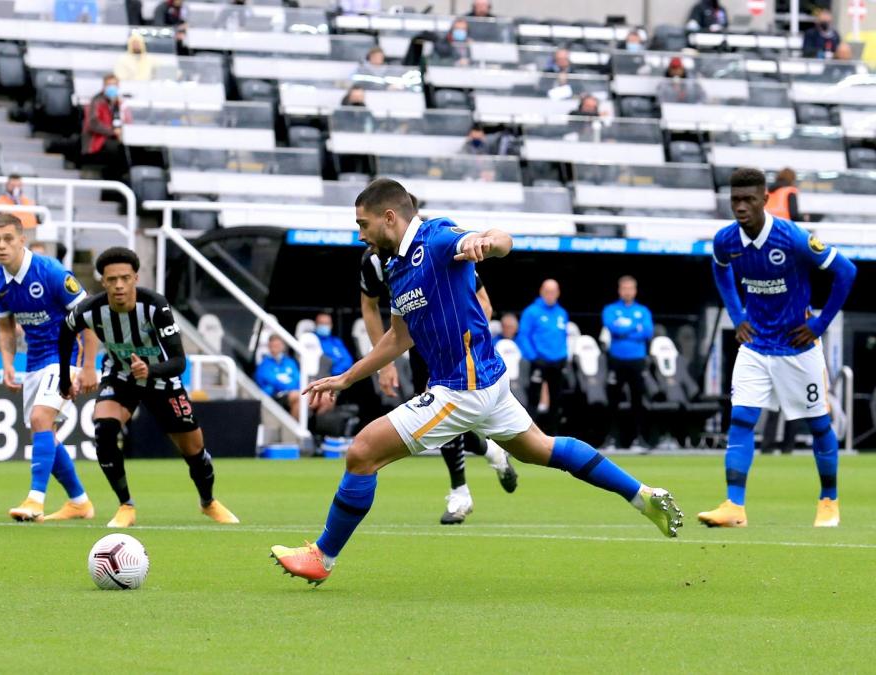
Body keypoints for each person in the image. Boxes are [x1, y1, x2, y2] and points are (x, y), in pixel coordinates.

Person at [270, 178, 682, 585]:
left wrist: (484, 242)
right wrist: (347, 377)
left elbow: (502, 240)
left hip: (462, 388)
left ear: (389, 217)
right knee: (542, 449)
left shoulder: (435, 238)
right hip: (488, 382)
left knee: (361, 452)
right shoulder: (394, 267)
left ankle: (323, 556)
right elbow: (400, 336)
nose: (360, 234)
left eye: (363, 224)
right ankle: (643, 495)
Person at [699, 168, 856, 529]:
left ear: (765, 199)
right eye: (735, 200)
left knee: (818, 425)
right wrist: (737, 313)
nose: (740, 207)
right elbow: (720, 270)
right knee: (740, 419)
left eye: (748, 200)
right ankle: (734, 506)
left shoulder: (793, 238)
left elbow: (846, 271)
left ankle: (828, 500)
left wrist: (819, 324)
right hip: (755, 347)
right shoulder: (726, 240)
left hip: (797, 348)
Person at [57, 247, 240, 528]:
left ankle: (208, 502)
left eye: (125, 278)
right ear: (102, 281)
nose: (119, 285)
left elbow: (179, 361)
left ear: (135, 278)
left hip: (162, 379)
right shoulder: (90, 310)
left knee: (194, 451)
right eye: (112, 279)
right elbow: (66, 333)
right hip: (120, 375)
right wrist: (65, 380)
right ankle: (125, 505)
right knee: (104, 430)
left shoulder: (155, 306)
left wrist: (149, 369)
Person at [358, 238, 517, 526]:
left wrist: (465, 345)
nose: (364, 235)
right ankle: (489, 453)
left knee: (447, 413)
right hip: (419, 344)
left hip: (457, 346)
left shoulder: (438, 248)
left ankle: (461, 493)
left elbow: (484, 303)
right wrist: (385, 364)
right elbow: (369, 307)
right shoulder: (373, 261)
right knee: (444, 417)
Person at [0, 213, 97, 523]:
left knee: (40, 418)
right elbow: (6, 328)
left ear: (22, 239)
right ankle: (79, 502)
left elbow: (88, 319)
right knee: (44, 430)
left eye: (8, 238)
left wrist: (89, 367)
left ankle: (36, 499)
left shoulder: (50, 271)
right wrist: (7, 364)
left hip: (66, 354)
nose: (1, 246)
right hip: (34, 360)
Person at [601, 275, 653, 450]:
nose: (628, 292)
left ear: (635, 290)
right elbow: (613, 328)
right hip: (617, 360)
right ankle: (611, 439)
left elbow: (647, 332)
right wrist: (633, 326)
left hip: (637, 360)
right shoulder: (610, 309)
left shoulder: (643, 311)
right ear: (619, 290)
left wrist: (625, 328)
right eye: (624, 288)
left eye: (631, 288)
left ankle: (638, 439)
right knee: (613, 401)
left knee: (638, 401)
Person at [519, 279, 569, 434]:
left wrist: (564, 356)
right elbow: (523, 336)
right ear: (541, 291)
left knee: (556, 400)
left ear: (558, 293)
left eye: (553, 291)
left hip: (557, 363)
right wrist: (534, 357)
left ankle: (553, 436)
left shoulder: (562, 313)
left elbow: (563, 337)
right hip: (539, 362)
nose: (550, 295)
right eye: (547, 291)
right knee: (533, 399)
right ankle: (530, 436)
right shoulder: (532, 312)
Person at [82, 74, 129, 182]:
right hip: (96, 142)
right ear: (104, 86)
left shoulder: (119, 103)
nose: (112, 87)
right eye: (109, 85)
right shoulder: (97, 101)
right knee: (115, 149)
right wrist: (113, 132)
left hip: (113, 139)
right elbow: (93, 123)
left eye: (114, 85)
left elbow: (126, 120)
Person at [255, 334, 302, 414]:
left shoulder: (290, 362)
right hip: (274, 396)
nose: (275, 349)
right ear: (269, 347)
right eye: (273, 346)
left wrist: (290, 386)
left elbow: (298, 380)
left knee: (311, 398)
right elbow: (275, 383)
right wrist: (290, 386)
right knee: (299, 397)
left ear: (283, 346)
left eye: (278, 345)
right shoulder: (264, 365)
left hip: (292, 393)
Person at [311, 312, 354, 377]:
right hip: (323, 376)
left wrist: (338, 371)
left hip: (340, 376)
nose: (324, 326)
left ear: (331, 325)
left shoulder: (336, 341)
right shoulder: (312, 340)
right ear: (316, 324)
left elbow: (348, 359)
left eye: (327, 323)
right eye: (321, 323)